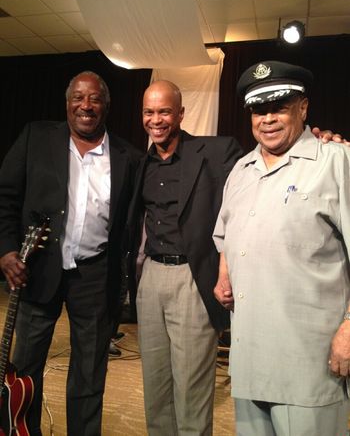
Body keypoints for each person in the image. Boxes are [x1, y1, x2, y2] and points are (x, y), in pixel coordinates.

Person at [126, 79, 340, 436]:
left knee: (192, 393)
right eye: (149, 112)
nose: (156, 119)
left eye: (164, 111)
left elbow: (273, 162)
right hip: (150, 277)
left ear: (180, 113)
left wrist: (321, 140)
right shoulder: (138, 163)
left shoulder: (218, 151)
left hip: (191, 278)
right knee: (155, 386)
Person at [0, 71, 141, 436]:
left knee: (89, 370)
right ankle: (23, 431)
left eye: (94, 99)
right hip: (37, 269)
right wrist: (6, 250)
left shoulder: (128, 157)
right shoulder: (36, 137)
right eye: (78, 98)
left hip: (95, 275)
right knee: (27, 367)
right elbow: (5, 198)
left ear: (106, 106)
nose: (86, 106)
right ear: (67, 103)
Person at [213, 60, 350, 436]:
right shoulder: (240, 171)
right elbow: (225, 234)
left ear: (303, 108)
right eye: (259, 109)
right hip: (249, 362)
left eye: (279, 106)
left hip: (308, 366)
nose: (268, 118)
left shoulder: (337, 161)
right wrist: (224, 275)